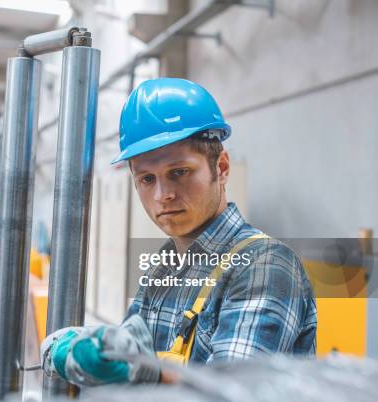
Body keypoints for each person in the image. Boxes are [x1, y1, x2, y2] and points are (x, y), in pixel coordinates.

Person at [41, 78, 317, 386]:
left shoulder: (265, 266)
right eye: (147, 179)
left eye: (179, 172)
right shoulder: (165, 264)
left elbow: (231, 391)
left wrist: (145, 372)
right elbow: (128, 354)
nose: (163, 195)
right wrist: (89, 350)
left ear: (222, 167)